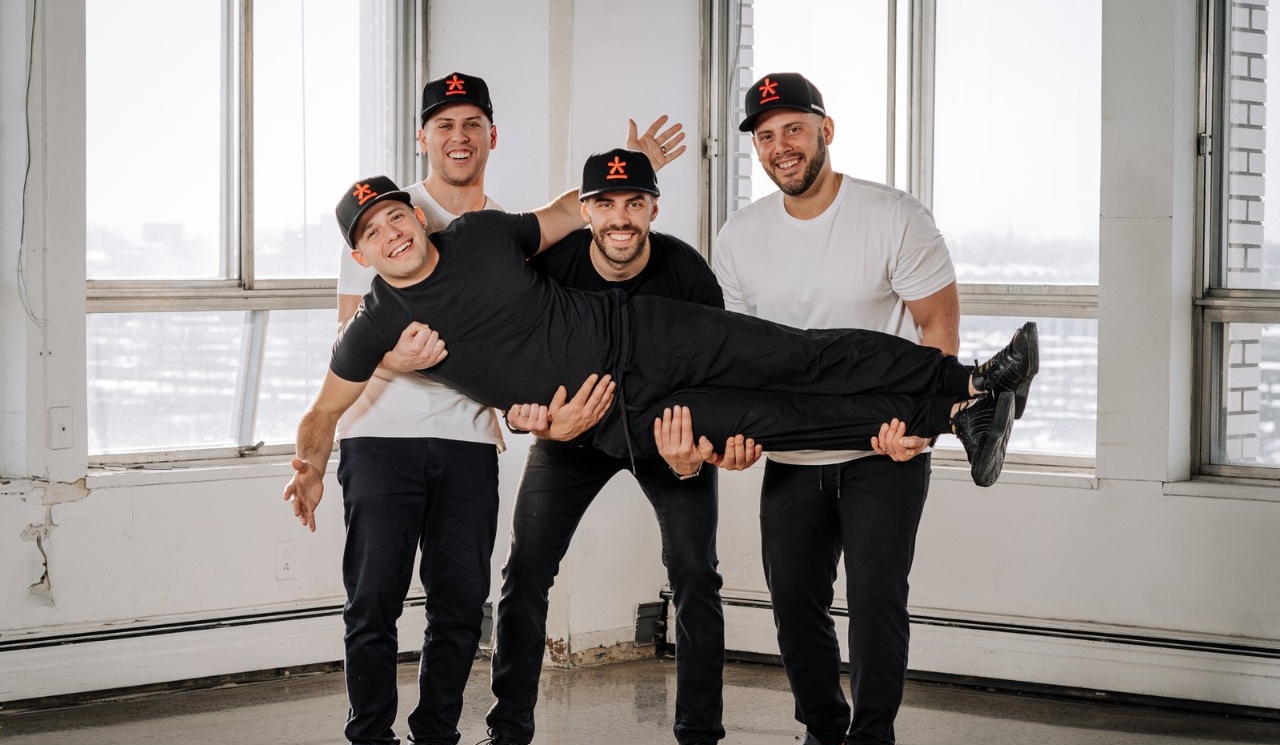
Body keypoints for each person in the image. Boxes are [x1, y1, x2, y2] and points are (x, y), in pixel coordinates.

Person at [284, 161, 1032, 536]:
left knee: (801, 356)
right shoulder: (377, 324)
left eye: (394, 215)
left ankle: (970, 384)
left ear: (414, 214)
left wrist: (628, 163)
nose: (391, 233)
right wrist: (311, 466)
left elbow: (566, 213)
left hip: (645, 328)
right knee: (776, 420)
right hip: (627, 412)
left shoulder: (479, 234)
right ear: (361, 254)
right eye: (371, 232)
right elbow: (323, 413)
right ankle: (951, 417)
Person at [706, 72, 1039, 745]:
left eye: (794, 128)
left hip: (881, 449)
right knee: (793, 605)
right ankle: (825, 737)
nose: (781, 146)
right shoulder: (741, 236)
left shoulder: (891, 216)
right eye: (765, 135)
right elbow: (743, 357)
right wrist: (735, 434)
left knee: (877, 604)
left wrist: (918, 423)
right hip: (794, 449)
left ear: (827, 129)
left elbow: (936, 332)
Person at [470, 150, 761, 745]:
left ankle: (699, 744)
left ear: (654, 208)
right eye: (606, 203)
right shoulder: (555, 264)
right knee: (524, 572)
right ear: (587, 208)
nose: (621, 218)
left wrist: (700, 451)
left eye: (636, 203)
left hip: (667, 437)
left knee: (695, 575)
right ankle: (508, 740)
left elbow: (720, 374)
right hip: (575, 435)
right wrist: (535, 422)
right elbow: (516, 362)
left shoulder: (686, 272)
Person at [327, 72, 503, 745]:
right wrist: (389, 363)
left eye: (471, 122)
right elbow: (343, 341)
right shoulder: (380, 222)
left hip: (468, 443)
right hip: (379, 439)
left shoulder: (498, 230)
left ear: (491, 133)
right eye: (443, 124)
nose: (457, 136)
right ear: (423, 138)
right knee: (373, 602)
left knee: (461, 603)